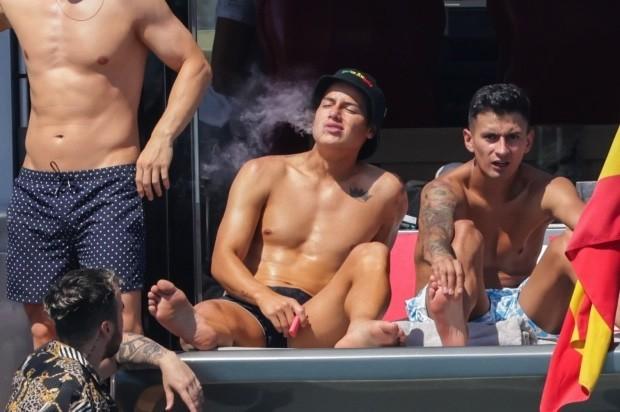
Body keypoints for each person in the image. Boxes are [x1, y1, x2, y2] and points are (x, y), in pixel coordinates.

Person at [0, 0, 211, 348]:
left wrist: (162, 138)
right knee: (43, 328)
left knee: (121, 325)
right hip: (36, 185)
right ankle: (61, 387)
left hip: (107, 183)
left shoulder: (133, 3)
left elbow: (196, 65)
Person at [148, 68, 408, 349]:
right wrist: (264, 297)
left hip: (314, 321)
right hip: (250, 304)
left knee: (372, 253)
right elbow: (223, 258)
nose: (335, 114)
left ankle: (361, 329)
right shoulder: (263, 172)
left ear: (370, 130)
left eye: (350, 109)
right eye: (327, 104)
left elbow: (373, 276)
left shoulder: (386, 191)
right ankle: (202, 327)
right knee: (214, 312)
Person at [406, 83, 586, 346]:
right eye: (490, 137)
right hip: (451, 301)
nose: (502, 150)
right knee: (465, 233)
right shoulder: (444, 189)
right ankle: (455, 338)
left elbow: (595, 231)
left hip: (521, 308)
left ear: (528, 141)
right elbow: (435, 236)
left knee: (574, 244)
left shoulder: (548, 189)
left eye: (512, 138)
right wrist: (443, 256)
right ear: (469, 140)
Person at [6, 268, 204, 412]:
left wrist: (166, 359)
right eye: (121, 309)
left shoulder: (35, 362)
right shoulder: (83, 397)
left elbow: (122, 348)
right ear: (106, 328)